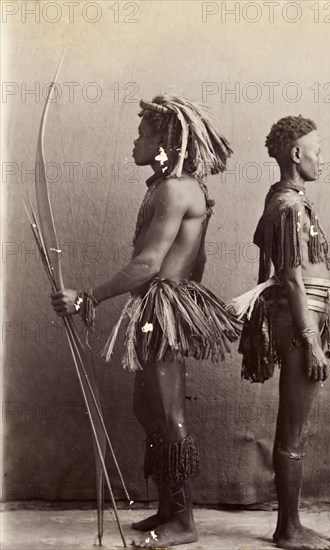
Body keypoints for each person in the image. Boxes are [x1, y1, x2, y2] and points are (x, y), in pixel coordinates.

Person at [51, 94, 241, 547]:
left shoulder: (176, 189)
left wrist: (87, 298)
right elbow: (194, 257)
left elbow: (147, 264)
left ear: (165, 141)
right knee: (147, 408)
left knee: (167, 412)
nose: (135, 141)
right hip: (160, 309)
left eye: (143, 134)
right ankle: (169, 509)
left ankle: (184, 523)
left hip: (163, 311)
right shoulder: (165, 185)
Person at [230, 115, 330, 550]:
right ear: (296, 155)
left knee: (294, 425)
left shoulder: (285, 199)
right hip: (302, 321)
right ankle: (289, 530)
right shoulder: (288, 205)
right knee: (293, 428)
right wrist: (312, 341)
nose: (322, 158)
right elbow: (293, 279)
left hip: (305, 316)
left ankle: (291, 525)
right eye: (317, 151)